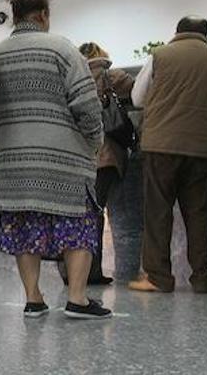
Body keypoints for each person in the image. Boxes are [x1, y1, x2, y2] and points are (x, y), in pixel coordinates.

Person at [0, 0, 112, 320]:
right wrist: (95, 141)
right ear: (42, 16)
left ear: (15, 15)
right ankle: (78, 299)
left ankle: (34, 298)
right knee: (78, 225)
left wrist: (2, 139)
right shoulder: (63, 50)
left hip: (17, 165)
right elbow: (86, 105)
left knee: (25, 229)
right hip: (66, 162)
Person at [128, 16, 207, 294]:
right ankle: (202, 278)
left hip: (162, 146)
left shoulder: (160, 55)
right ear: (206, 36)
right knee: (197, 213)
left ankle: (158, 278)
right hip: (202, 147)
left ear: (176, 32)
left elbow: (137, 98)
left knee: (158, 212)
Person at [57, 43, 135, 286]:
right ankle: (90, 272)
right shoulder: (114, 77)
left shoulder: (67, 78)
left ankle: (69, 272)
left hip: (72, 155)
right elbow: (141, 94)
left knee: (74, 213)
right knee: (94, 214)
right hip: (105, 157)